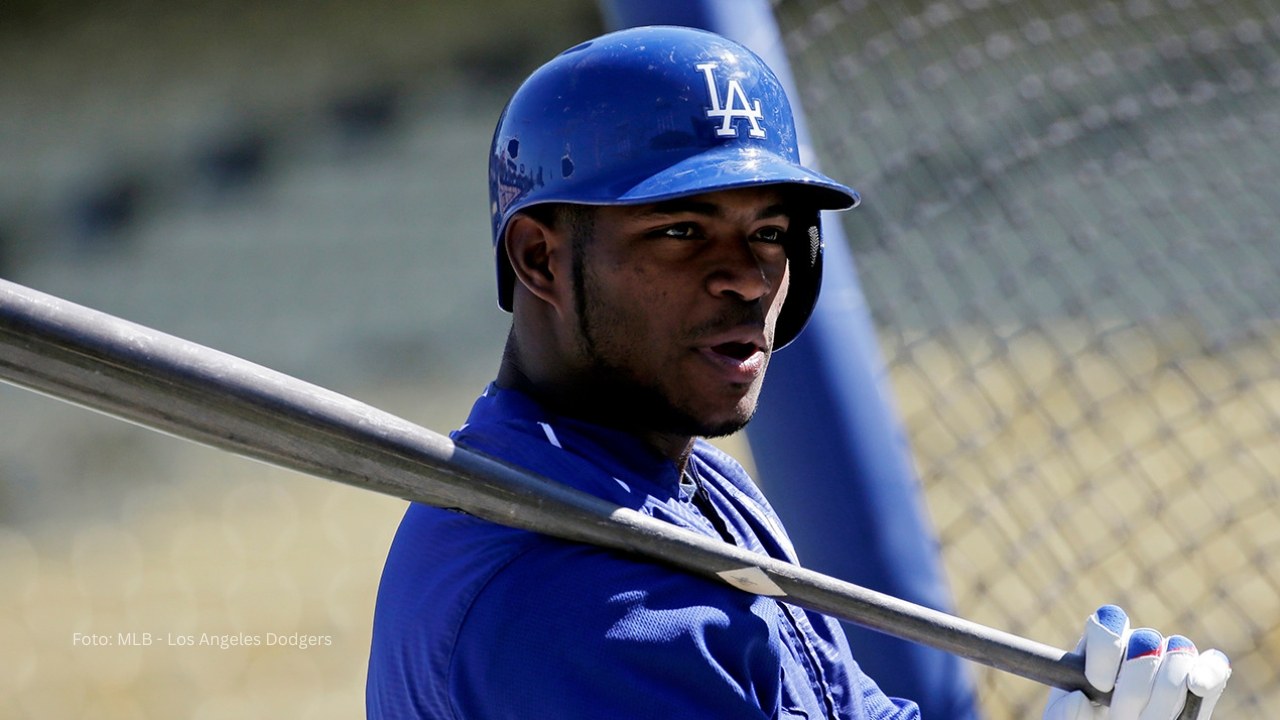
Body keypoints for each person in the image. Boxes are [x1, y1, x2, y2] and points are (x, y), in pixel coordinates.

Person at [366, 25, 1230, 719]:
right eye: (680, 229)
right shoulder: (575, 608)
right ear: (540, 259)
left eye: (770, 232)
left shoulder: (690, 487)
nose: (746, 275)